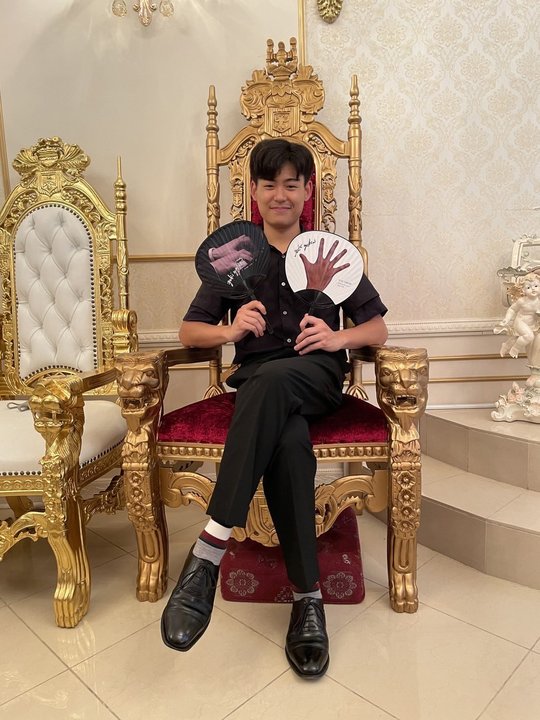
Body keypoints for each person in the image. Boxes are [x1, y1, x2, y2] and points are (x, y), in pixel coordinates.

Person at [161, 138, 388, 679]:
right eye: (270, 184)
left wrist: (338, 339)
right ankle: (309, 599)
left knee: (272, 380)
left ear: (308, 190)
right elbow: (189, 331)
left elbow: (378, 327)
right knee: (287, 440)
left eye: (291, 184)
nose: (280, 194)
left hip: (316, 379)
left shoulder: (330, 253)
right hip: (263, 392)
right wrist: (230, 330)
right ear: (255, 192)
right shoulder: (236, 257)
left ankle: (209, 547)